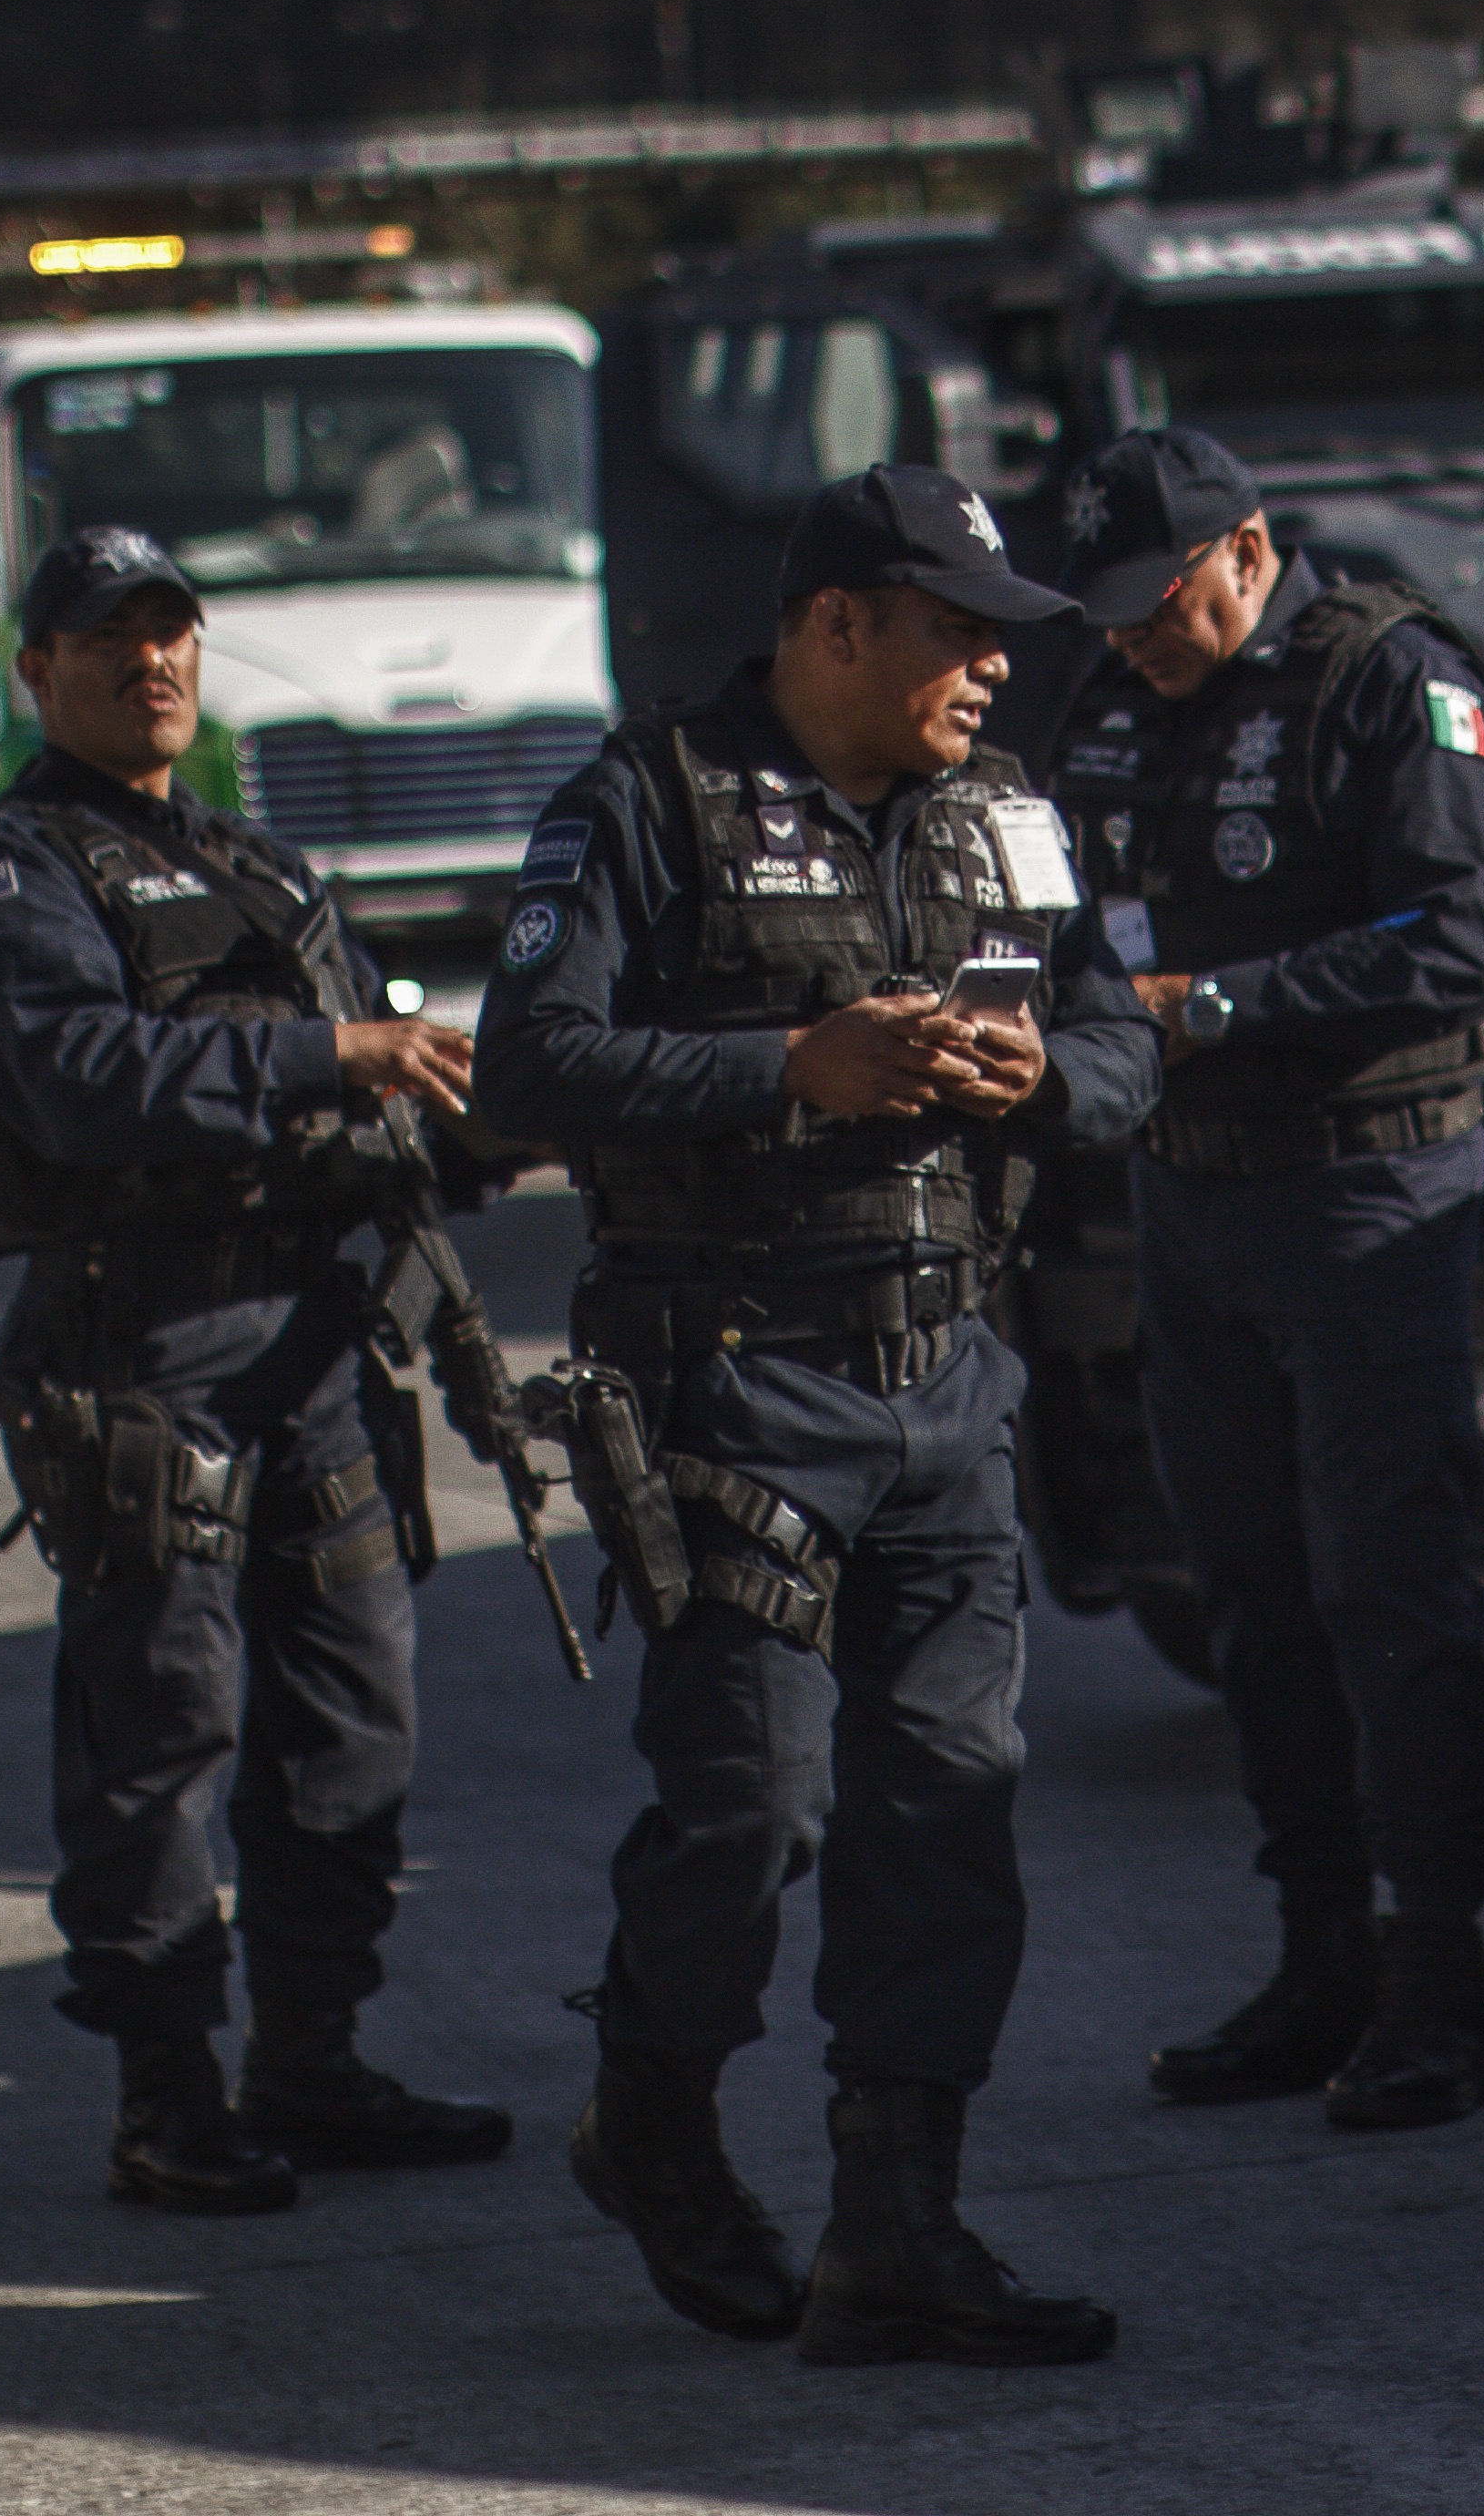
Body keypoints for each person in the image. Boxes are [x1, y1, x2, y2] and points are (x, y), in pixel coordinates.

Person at [474, 466, 1159, 2368]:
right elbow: (525, 1067)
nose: (993, 670)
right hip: (736, 1382)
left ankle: (899, 2224)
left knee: (949, 1809)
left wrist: (1045, 1072)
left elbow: (1122, 1041)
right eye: (956, 630)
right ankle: (660, 2125)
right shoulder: (644, 800)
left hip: (950, 1371)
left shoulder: (1005, 812)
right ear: (835, 623)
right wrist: (793, 1064)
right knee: (748, 1810)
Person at [0, 525, 513, 2214]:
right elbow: (81, 1077)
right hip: (144, 1347)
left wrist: (478, 1112)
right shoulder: (10, 873)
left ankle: (310, 2055)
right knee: (160, 1731)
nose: (150, 662)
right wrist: (331, 1047)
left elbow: (375, 1060)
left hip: (313, 1332)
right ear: (39, 670)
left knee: (351, 1717)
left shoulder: (253, 860)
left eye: (171, 633)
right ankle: (166, 2092)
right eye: (108, 638)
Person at [1039, 427, 1484, 2129]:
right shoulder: (1103, 699)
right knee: (1249, 1593)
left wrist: (1209, 1010)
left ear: (1247, 551)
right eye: (1102, 613)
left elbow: (1455, 939)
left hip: (1365, 1193)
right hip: (1191, 1204)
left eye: (1156, 601)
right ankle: (1319, 1952)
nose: (1130, 639)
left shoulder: (1388, 680)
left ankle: (1438, 1978)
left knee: (1388, 1589)